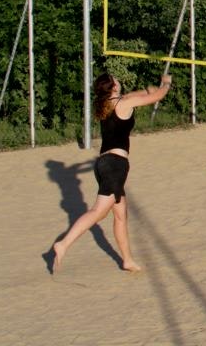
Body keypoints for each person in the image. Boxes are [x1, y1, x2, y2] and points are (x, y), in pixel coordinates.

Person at [50, 72, 172, 273]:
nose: (119, 80)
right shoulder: (123, 104)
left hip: (104, 164)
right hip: (115, 165)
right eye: (116, 79)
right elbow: (157, 97)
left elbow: (135, 95)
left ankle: (127, 260)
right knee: (98, 211)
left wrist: (147, 89)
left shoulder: (108, 104)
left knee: (121, 214)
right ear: (114, 87)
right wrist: (166, 84)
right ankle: (63, 244)